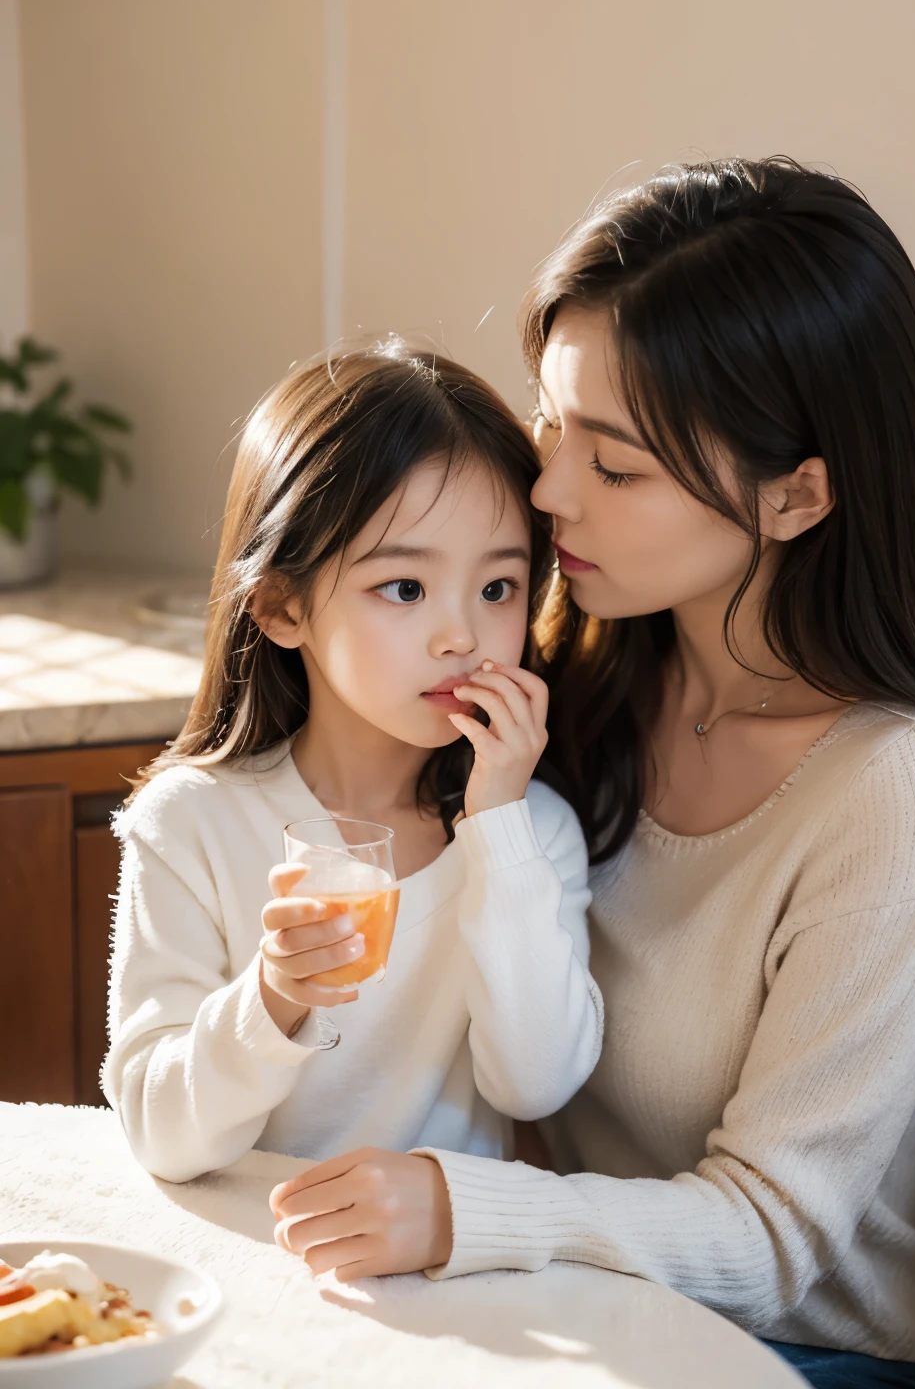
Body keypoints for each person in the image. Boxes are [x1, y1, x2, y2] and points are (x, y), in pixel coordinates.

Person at [270, 161, 915, 1389]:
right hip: (563, 1321)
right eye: (551, 425)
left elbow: (779, 1237)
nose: (548, 491)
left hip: (809, 1355)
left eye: (616, 468)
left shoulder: (902, 790)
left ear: (795, 496)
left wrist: (466, 1214)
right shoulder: (556, 681)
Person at [103, 340, 603, 1191]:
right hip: (254, 1274)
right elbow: (159, 1133)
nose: (463, 635)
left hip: (440, 1283)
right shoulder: (192, 822)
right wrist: (272, 996)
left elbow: (535, 1082)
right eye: (405, 589)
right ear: (281, 605)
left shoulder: (531, 833)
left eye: (498, 588)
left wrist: (498, 824)